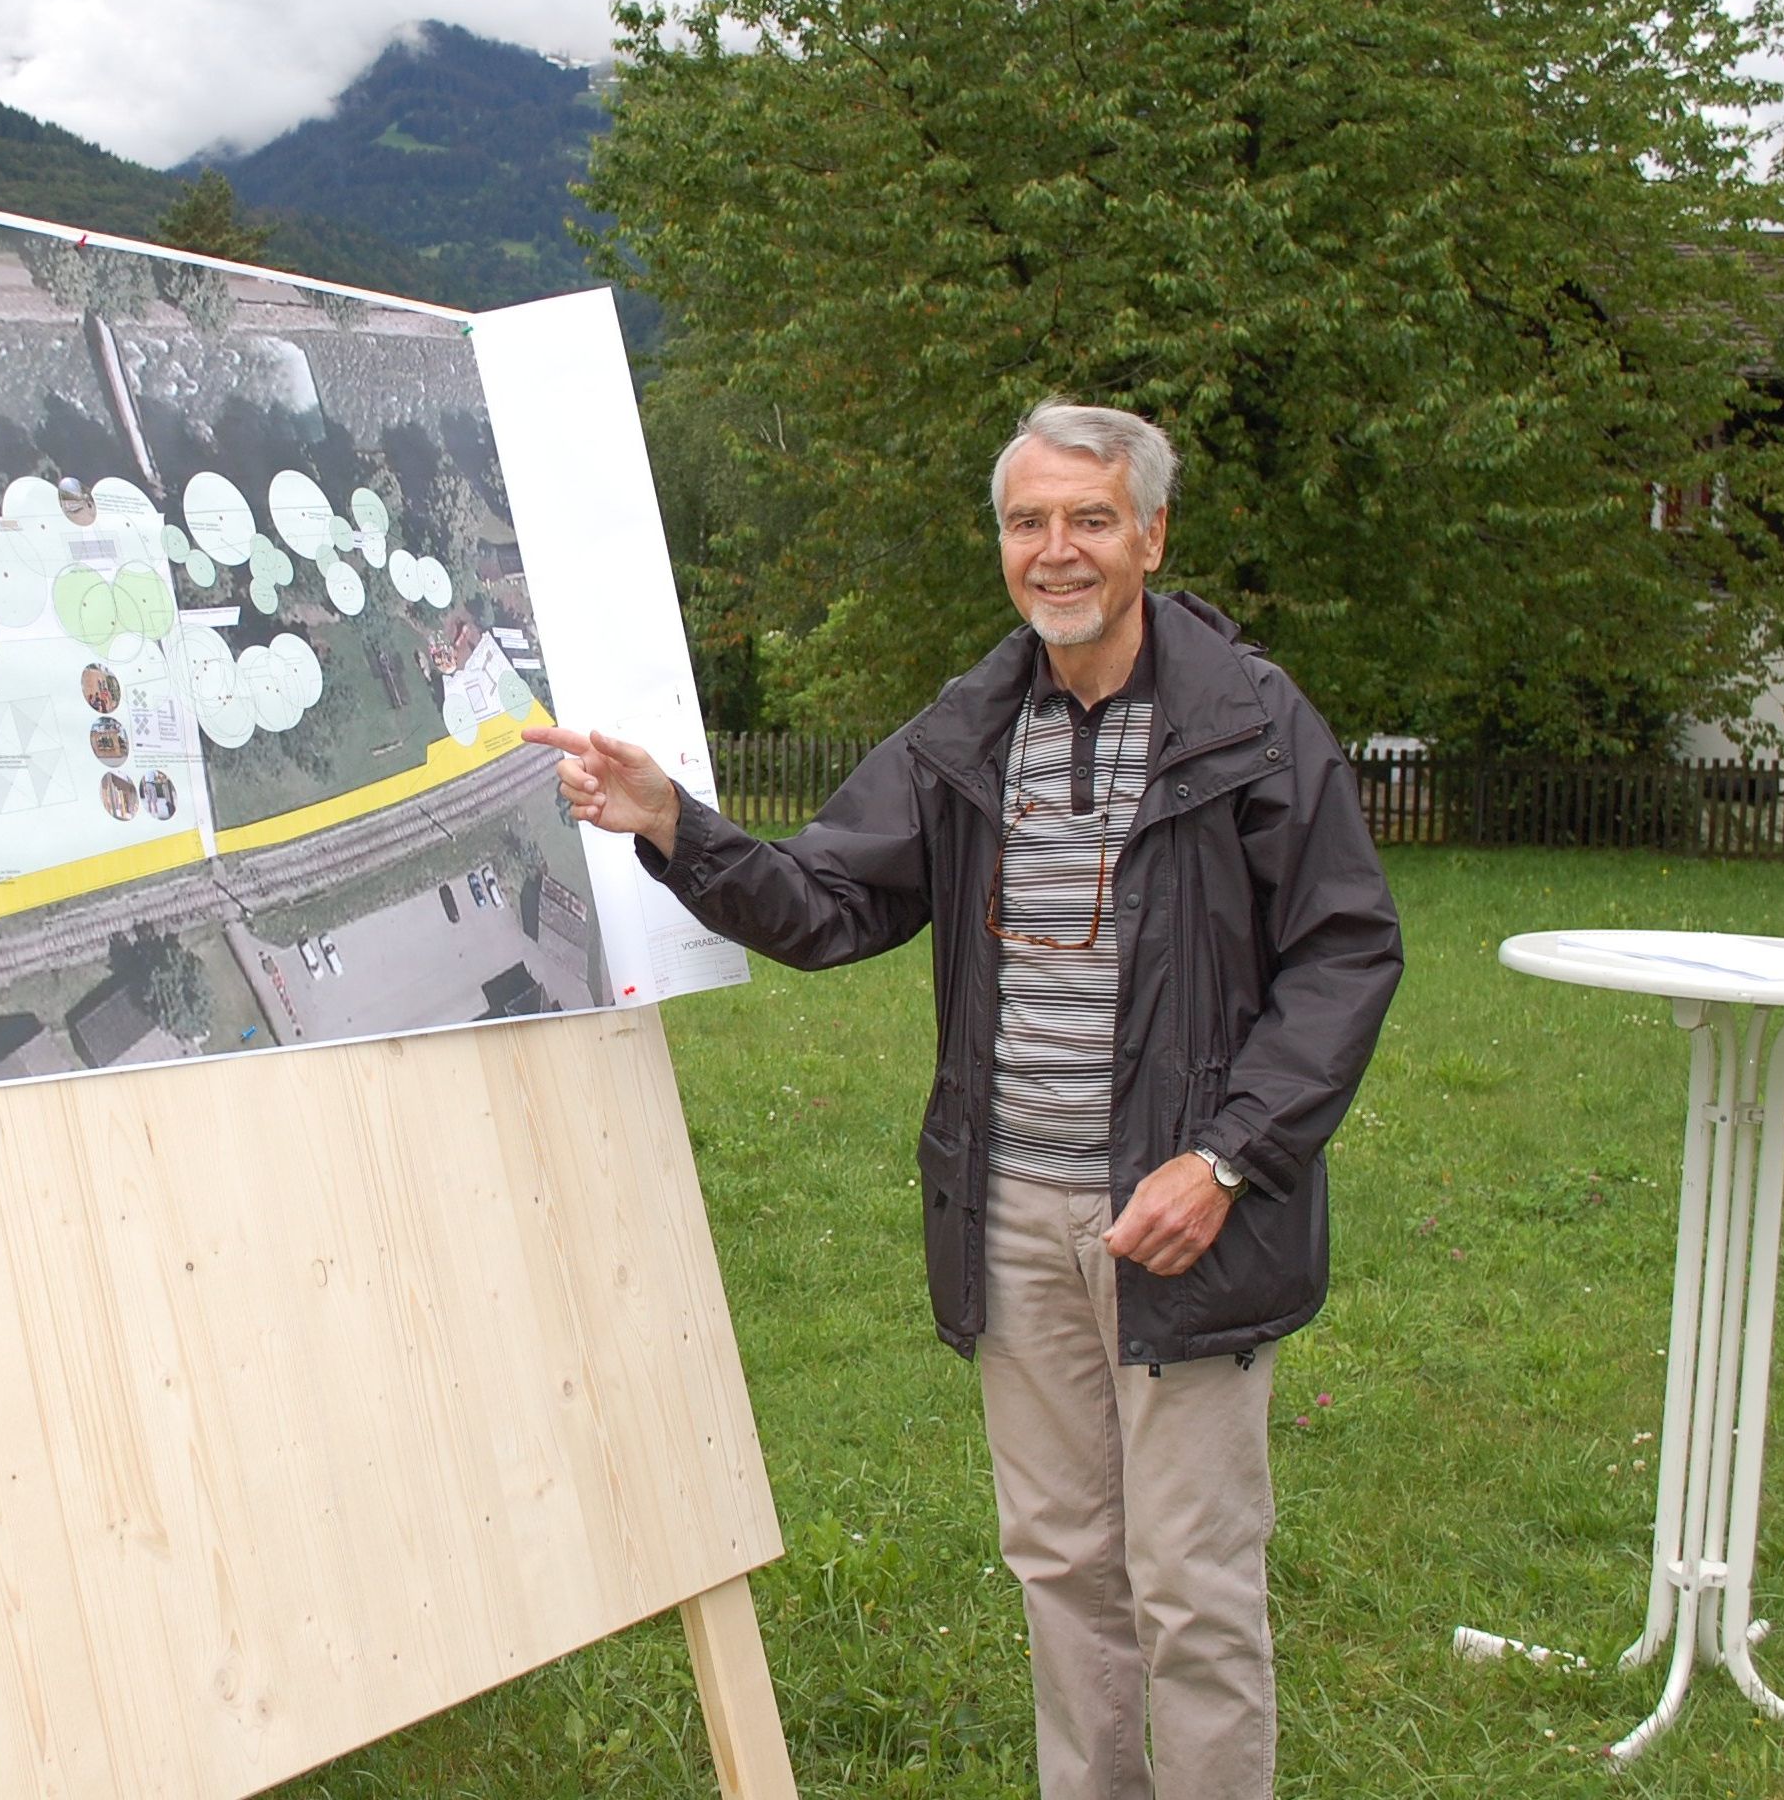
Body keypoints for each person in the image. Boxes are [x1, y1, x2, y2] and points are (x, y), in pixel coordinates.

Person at [528, 401, 1400, 1800]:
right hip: (1011, 1212)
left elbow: (1343, 951)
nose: (1055, 551)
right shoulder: (970, 728)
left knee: (1188, 1579)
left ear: (1150, 535)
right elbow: (824, 905)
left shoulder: (1249, 721)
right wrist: (675, 822)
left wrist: (1228, 1161)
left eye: (1089, 519)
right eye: (1025, 522)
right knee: (1061, 1563)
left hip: (1182, 1216)